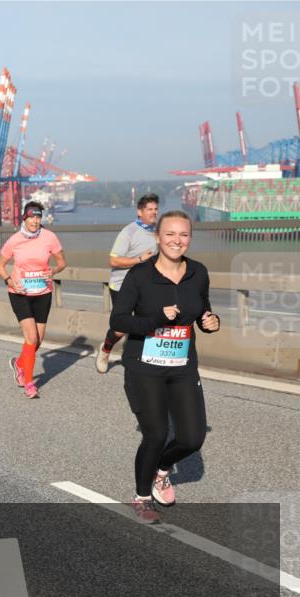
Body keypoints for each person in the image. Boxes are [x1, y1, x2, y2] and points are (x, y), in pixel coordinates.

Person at [110, 210, 219, 524]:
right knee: (156, 434)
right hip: (144, 366)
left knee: (192, 438)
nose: (177, 240)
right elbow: (118, 320)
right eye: (170, 234)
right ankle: (142, 497)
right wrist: (156, 319)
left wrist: (211, 322)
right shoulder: (140, 276)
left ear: (190, 238)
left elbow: (203, 310)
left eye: (183, 234)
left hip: (182, 366)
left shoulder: (198, 272)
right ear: (157, 238)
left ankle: (161, 470)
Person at [0, 201, 67, 399]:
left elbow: (62, 263)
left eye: (38, 217)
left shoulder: (49, 237)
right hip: (20, 293)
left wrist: (53, 270)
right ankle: (29, 383)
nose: (35, 221)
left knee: (38, 341)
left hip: (43, 292)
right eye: (32, 217)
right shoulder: (14, 240)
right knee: (31, 337)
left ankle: (19, 364)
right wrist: (9, 280)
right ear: (24, 218)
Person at [96, 194, 160, 373]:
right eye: (149, 209)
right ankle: (105, 349)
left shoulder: (158, 232)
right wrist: (139, 259)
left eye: (156, 209)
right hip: (121, 285)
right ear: (139, 212)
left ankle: (136, 357)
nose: (154, 212)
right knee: (121, 328)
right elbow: (113, 261)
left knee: (147, 321)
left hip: (145, 286)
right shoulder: (129, 232)